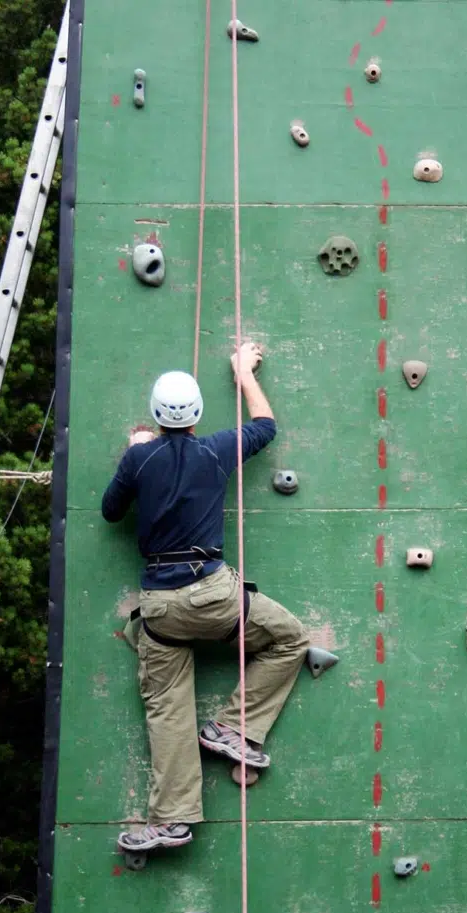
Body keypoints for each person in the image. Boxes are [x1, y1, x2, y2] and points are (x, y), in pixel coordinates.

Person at [101, 342, 309, 853]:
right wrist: (243, 371)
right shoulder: (215, 450)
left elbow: (110, 512)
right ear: (196, 418)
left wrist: (134, 450)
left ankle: (172, 820)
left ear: (154, 416)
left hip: (161, 611)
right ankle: (233, 727)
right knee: (289, 639)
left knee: (168, 710)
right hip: (213, 597)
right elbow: (265, 425)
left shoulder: (138, 458)